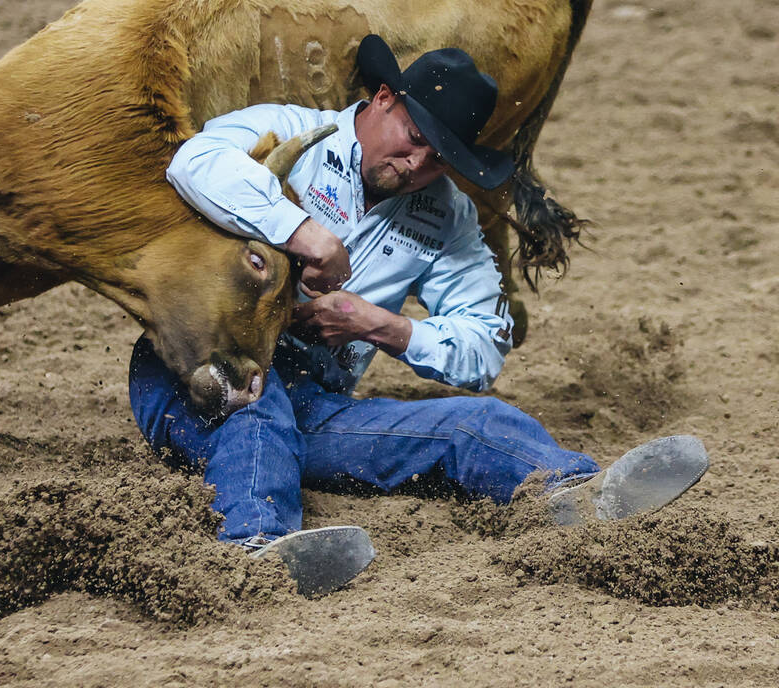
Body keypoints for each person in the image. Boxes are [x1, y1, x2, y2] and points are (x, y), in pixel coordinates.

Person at [128, 35, 709, 596]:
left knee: (475, 423)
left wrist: (379, 325)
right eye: (412, 137)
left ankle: (578, 496)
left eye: (439, 158)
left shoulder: (447, 217)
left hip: (313, 399)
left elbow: (483, 345)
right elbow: (193, 162)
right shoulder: (289, 126)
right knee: (256, 410)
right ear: (384, 98)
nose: (415, 163)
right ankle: (252, 553)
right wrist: (302, 232)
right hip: (197, 374)